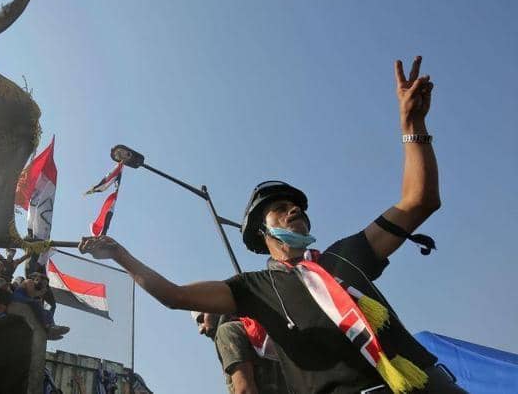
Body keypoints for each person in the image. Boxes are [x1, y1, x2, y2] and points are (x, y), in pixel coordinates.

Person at [81, 57, 466, 393]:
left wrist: (413, 125)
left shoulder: (347, 255)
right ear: (262, 232)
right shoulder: (254, 289)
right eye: (281, 209)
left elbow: (419, 200)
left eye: (297, 207)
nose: (294, 211)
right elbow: (174, 296)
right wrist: (120, 255)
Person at [193, 312, 286, 394]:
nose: (200, 330)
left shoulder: (226, 331)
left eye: (201, 319)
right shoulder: (252, 325)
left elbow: (245, 391)